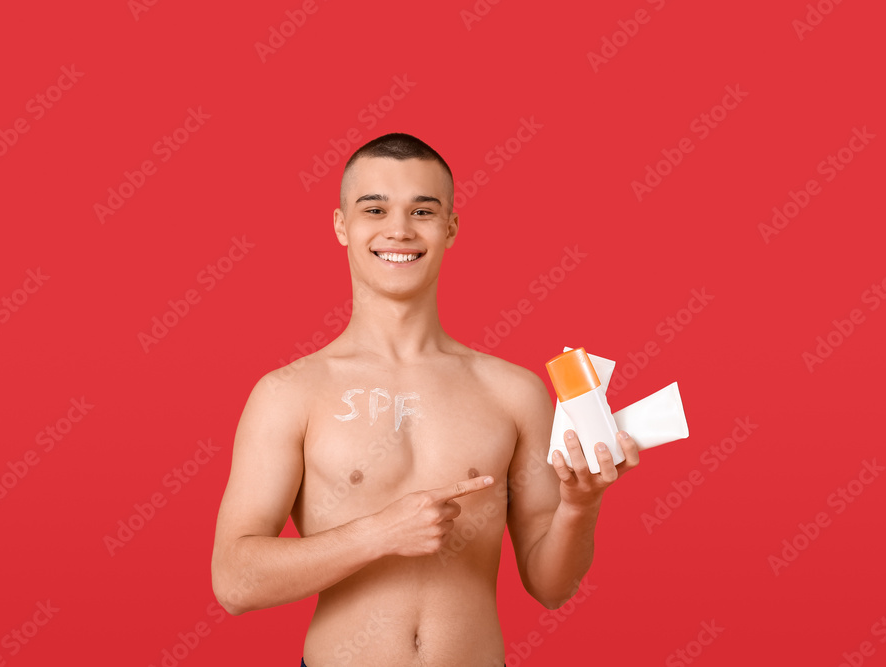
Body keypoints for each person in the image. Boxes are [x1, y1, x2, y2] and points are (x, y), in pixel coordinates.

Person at [210, 133, 639, 666]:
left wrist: (580, 506)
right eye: (375, 208)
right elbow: (234, 582)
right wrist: (379, 532)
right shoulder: (288, 394)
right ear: (342, 225)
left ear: (450, 228)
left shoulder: (513, 391)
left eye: (423, 210)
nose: (399, 229)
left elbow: (552, 587)